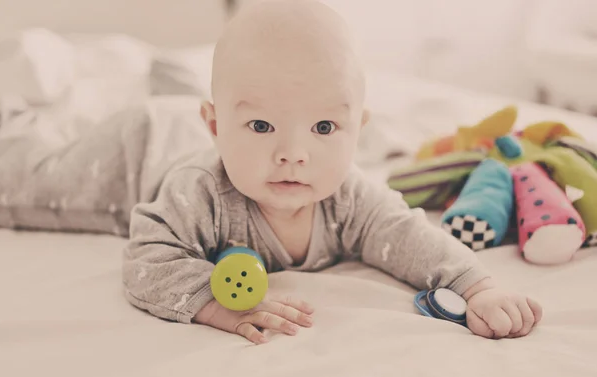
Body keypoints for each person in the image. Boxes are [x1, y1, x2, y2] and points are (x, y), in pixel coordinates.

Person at [122, 0, 542, 345]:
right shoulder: (201, 191)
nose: (292, 154)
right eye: (262, 126)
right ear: (215, 128)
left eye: (323, 128)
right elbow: (148, 260)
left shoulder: (350, 198)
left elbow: (408, 236)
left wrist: (478, 288)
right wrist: (213, 305)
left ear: (358, 129)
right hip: (135, 154)